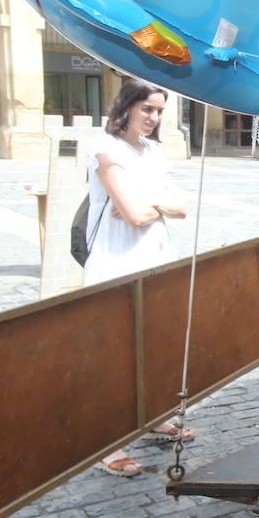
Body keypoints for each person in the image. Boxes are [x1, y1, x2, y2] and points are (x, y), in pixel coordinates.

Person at [83, 78, 192, 477]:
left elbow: (181, 206)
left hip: (155, 255)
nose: (153, 117)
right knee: (116, 355)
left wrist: (153, 203)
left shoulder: (152, 150)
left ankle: (151, 416)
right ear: (127, 105)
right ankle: (108, 444)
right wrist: (153, 204)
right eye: (147, 108)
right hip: (117, 258)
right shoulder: (106, 149)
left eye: (160, 110)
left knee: (154, 343)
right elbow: (134, 214)